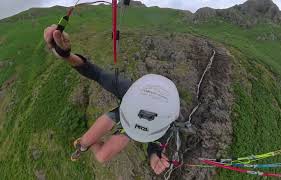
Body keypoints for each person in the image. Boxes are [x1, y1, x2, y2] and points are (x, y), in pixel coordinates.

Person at [43, 25, 181, 175]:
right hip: (125, 114)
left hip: (130, 118)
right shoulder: (128, 90)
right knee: (84, 143)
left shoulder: (165, 118)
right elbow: (94, 72)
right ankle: (83, 145)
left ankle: (85, 144)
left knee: (101, 156)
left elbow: (156, 143)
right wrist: (66, 55)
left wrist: (154, 156)